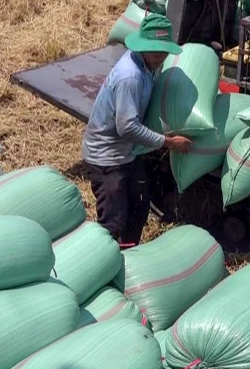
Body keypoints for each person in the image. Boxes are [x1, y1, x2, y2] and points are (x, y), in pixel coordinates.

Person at [81, 13, 192, 248]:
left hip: (127, 153)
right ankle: (105, 259)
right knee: (113, 222)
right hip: (107, 158)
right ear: (143, 47)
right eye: (156, 52)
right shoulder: (130, 77)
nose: (161, 57)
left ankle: (130, 255)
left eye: (164, 51)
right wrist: (169, 142)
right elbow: (127, 127)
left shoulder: (149, 65)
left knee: (139, 206)